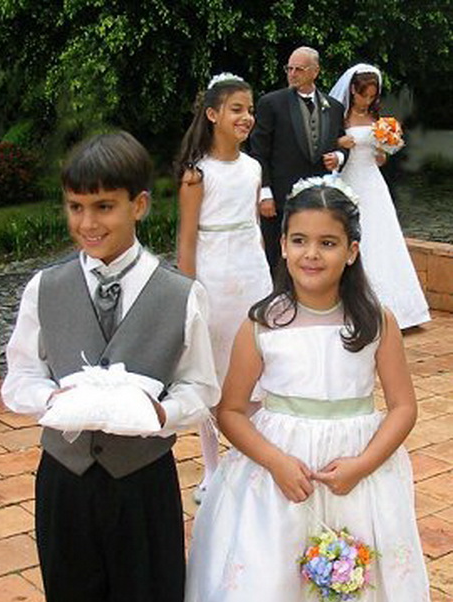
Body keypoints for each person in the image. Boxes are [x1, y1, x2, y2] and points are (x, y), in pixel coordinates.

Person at [183, 177, 434, 602]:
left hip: (351, 478)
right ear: (283, 247)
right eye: (299, 241)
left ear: (352, 250)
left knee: (335, 588)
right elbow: (231, 411)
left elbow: (402, 406)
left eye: (327, 242)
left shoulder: (374, 320)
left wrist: (364, 464)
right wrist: (272, 461)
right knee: (280, 589)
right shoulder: (263, 320)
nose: (311, 254)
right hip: (281, 480)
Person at [1, 131, 220, 602]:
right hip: (64, 481)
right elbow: (19, 375)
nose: (87, 222)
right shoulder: (47, 287)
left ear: (140, 205)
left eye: (104, 207)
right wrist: (56, 400)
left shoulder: (181, 295)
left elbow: (200, 389)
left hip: (142, 481)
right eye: (75, 207)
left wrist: (156, 409)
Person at [177, 72, 272, 503]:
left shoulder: (252, 168)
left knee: (256, 365)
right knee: (212, 370)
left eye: (249, 110)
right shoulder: (198, 174)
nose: (246, 117)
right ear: (213, 114)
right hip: (214, 278)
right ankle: (212, 466)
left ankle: (252, 456)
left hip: (251, 274)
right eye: (237, 109)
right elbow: (187, 237)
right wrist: (187, 292)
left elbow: (253, 226)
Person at [329, 63, 430, 329]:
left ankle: (399, 310)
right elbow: (326, 145)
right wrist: (340, 143)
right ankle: (353, 306)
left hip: (372, 180)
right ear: (353, 90)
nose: (368, 100)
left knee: (383, 236)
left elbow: (381, 158)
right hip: (348, 180)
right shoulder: (339, 117)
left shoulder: (377, 120)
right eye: (364, 95)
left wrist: (384, 151)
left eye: (373, 95)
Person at [250, 46, 348, 272]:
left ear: (315, 71)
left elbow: (342, 142)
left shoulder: (334, 107)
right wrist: (265, 193)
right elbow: (258, 150)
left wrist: (339, 157)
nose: (292, 74)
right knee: (276, 256)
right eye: (289, 68)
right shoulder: (271, 103)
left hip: (317, 196)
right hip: (279, 196)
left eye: (299, 69)